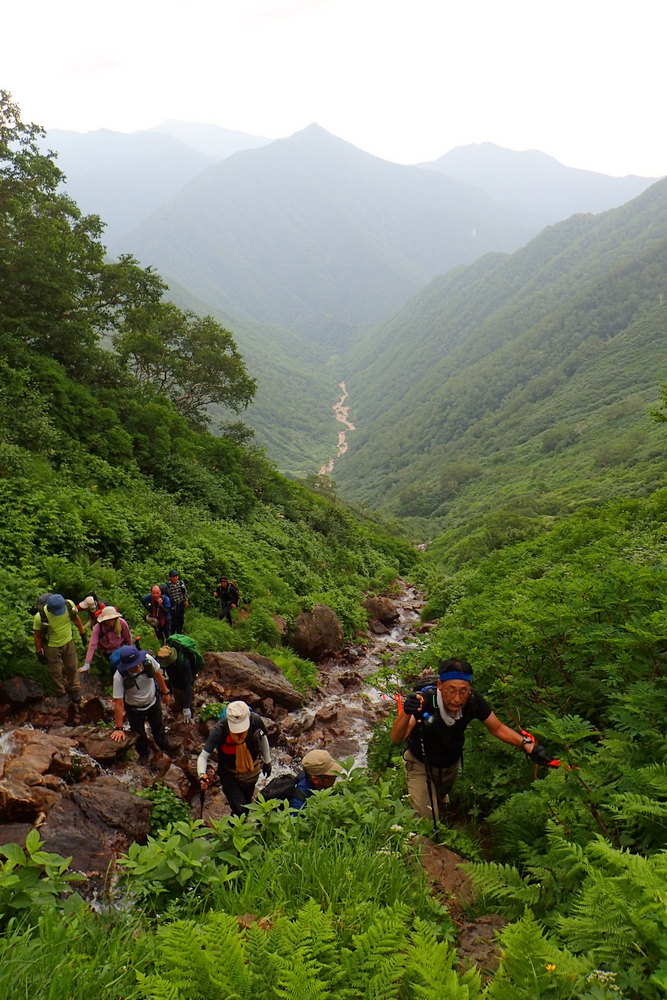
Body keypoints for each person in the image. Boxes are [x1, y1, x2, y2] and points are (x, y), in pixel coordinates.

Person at [390, 657, 554, 824]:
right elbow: (397, 738)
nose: (457, 699)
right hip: (420, 764)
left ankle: (439, 808)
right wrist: (407, 712)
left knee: (438, 801)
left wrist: (526, 744)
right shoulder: (425, 701)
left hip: (450, 766)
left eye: (463, 691)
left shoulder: (473, 701)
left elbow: (497, 728)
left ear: (469, 688)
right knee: (424, 821)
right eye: (451, 690)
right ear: (440, 685)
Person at [197, 701, 271, 815]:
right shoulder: (220, 730)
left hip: (250, 772)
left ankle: (234, 830)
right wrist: (202, 774)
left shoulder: (255, 720)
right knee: (240, 809)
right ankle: (233, 829)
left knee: (246, 807)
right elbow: (203, 756)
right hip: (228, 772)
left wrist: (267, 762)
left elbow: (263, 739)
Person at [109, 645, 170, 760]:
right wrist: (118, 728)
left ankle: (165, 749)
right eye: (133, 665)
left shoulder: (148, 660)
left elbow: (158, 674)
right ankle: (144, 757)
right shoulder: (119, 677)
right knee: (139, 735)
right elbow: (118, 703)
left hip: (153, 702)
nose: (137, 666)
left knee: (158, 727)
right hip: (134, 709)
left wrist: (165, 692)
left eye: (138, 662)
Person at [33, 593, 86, 702]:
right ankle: (60, 692)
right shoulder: (40, 617)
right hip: (51, 646)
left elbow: (76, 618)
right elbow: (37, 635)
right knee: (55, 670)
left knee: (72, 665)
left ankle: (74, 688)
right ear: (49, 608)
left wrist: (83, 634)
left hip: (68, 641)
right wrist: (39, 652)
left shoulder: (69, 605)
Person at [81, 605, 132, 677]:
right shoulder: (98, 627)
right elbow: (92, 645)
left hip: (122, 647)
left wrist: (131, 650)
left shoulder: (122, 623)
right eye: (108, 620)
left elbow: (128, 637)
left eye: (112, 619)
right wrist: (87, 664)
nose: (110, 622)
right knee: (115, 669)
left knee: (127, 667)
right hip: (108, 652)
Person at [156, 638, 199, 721]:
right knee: (178, 700)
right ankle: (178, 715)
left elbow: (187, 685)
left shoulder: (185, 663)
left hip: (187, 681)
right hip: (175, 682)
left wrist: (187, 707)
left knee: (190, 703)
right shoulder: (161, 658)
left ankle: (192, 718)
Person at [164, 570, 188, 634]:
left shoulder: (180, 583)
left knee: (181, 618)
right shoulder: (167, 586)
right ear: (170, 577)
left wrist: (186, 600)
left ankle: (180, 631)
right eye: (173, 577)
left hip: (180, 603)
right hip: (173, 605)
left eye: (176, 576)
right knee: (173, 620)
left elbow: (184, 592)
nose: (175, 578)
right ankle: (172, 633)